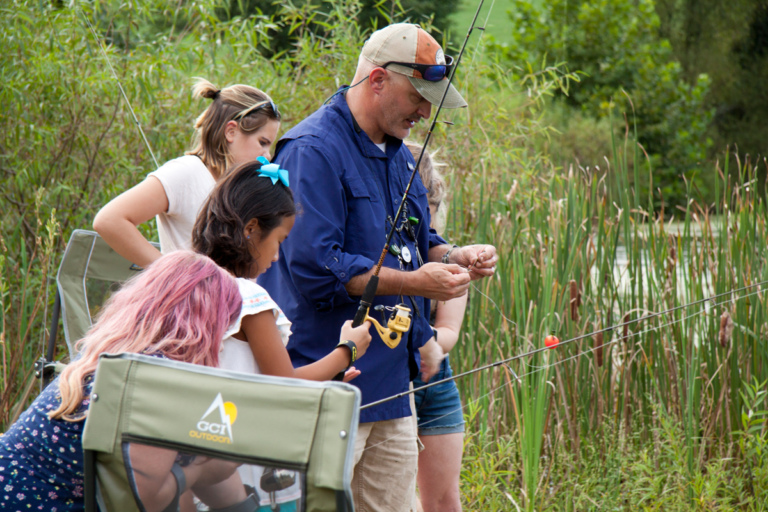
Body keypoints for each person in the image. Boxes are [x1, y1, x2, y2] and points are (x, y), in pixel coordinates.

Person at [258, 23, 497, 511]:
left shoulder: (399, 155)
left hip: (393, 388)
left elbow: (419, 239)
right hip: (328, 383)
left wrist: (454, 256)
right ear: (378, 80)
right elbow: (317, 268)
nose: (426, 111)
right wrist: (415, 283)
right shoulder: (311, 151)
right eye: (419, 96)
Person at [0, 251, 247, 511]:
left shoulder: (120, 354)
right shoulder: (154, 379)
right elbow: (142, 500)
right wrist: (200, 470)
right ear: (206, 324)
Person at [192, 159, 372, 511]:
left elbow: (247, 373)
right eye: (279, 241)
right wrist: (347, 350)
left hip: (201, 451)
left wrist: (324, 377)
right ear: (251, 229)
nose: (277, 256)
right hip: (245, 466)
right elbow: (282, 384)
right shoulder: (248, 298)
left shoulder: (196, 286)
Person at [93, 78, 281, 267]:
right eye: (262, 143)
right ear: (230, 131)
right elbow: (109, 220)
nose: (267, 156)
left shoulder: (242, 187)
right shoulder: (187, 172)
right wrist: (170, 274)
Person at [405, 141, 467, 512]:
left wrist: (428, 343)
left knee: (444, 500)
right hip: (390, 382)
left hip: (436, 383)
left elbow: (450, 331)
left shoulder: (448, 263)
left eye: (427, 215)